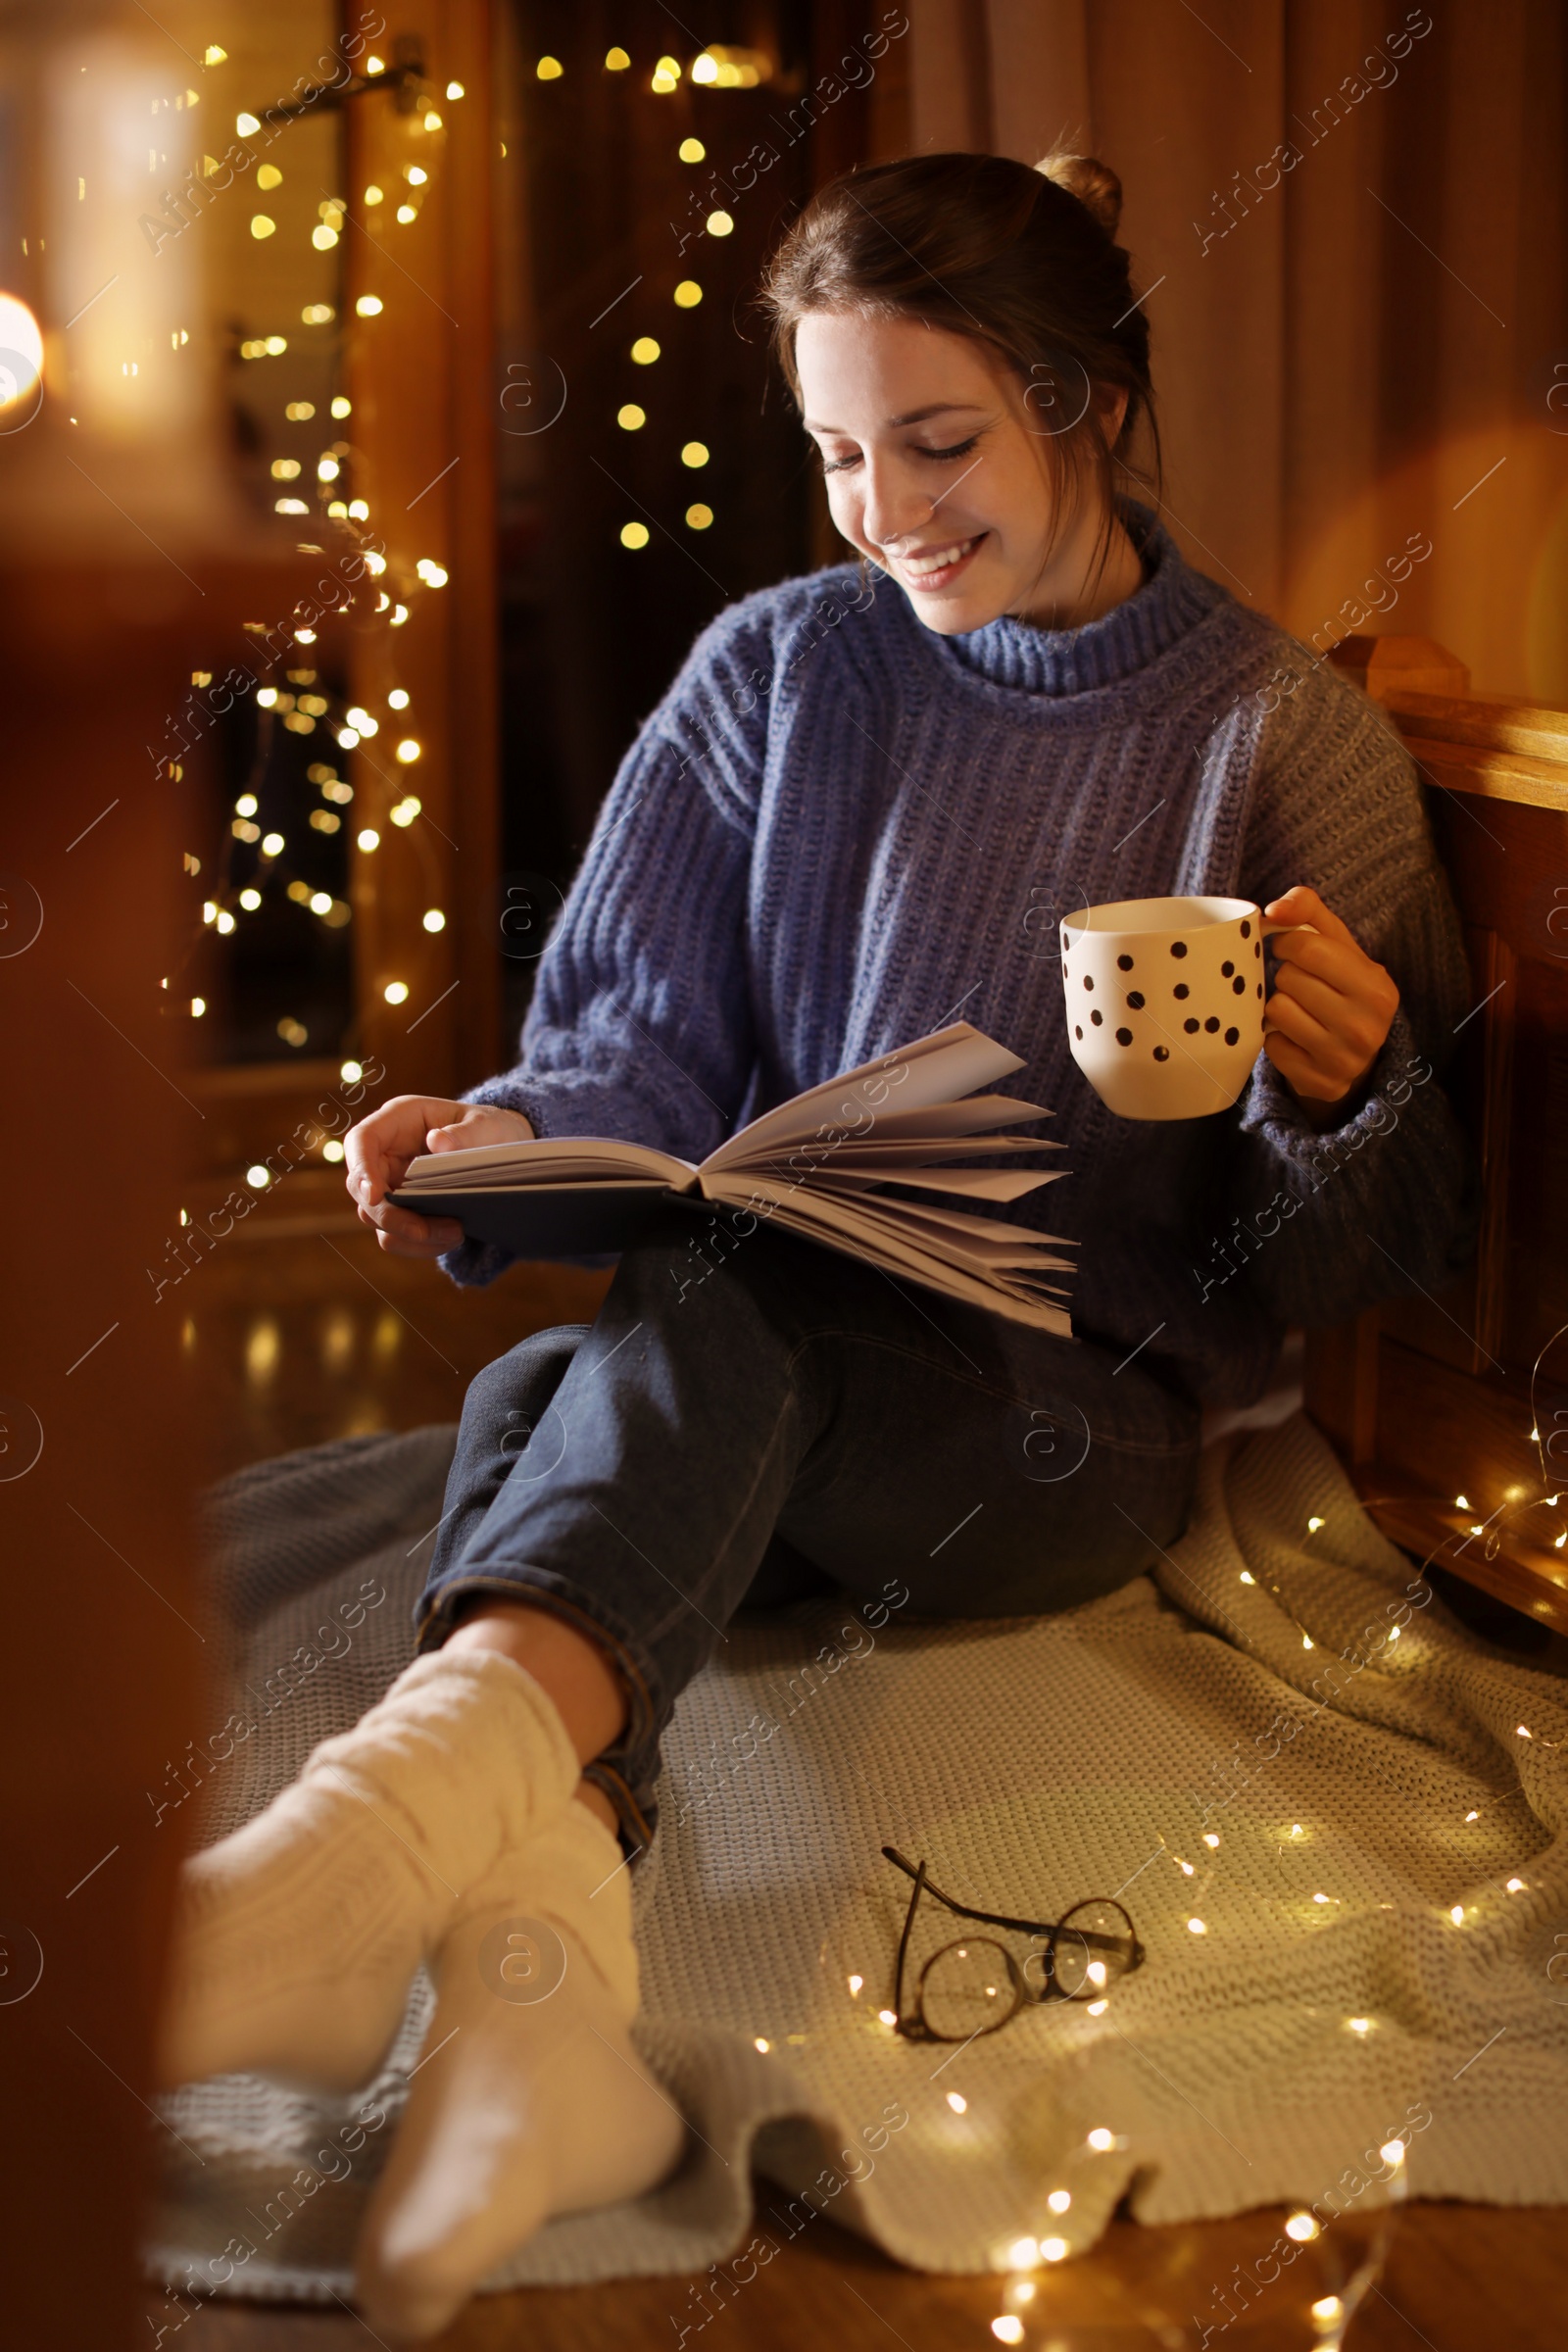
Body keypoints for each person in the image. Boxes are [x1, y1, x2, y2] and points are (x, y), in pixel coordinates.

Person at [159, 152, 1476, 2339]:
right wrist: (493, 1143)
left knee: (615, 1362)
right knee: (607, 1332)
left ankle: (399, 1823)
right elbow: (636, 1061)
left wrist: (1338, 1090)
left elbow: (1394, 1251)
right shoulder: (773, 675)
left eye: (936, 442)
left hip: (1069, 1436)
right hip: (784, 1358)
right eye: (840, 452)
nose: (882, 508)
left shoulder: (1277, 737)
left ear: (1088, 403)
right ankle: (537, 2004)